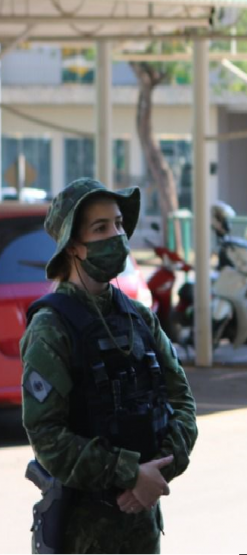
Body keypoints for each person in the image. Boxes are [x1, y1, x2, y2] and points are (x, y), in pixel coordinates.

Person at [20, 178, 198, 554]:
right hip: (83, 534)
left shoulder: (137, 317)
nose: (116, 235)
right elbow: (47, 436)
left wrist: (157, 472)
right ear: (73, 245)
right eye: (100, 228)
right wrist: (131, 473)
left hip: (143, 526)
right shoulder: (52, 327)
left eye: (118, 224)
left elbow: (182, 402)